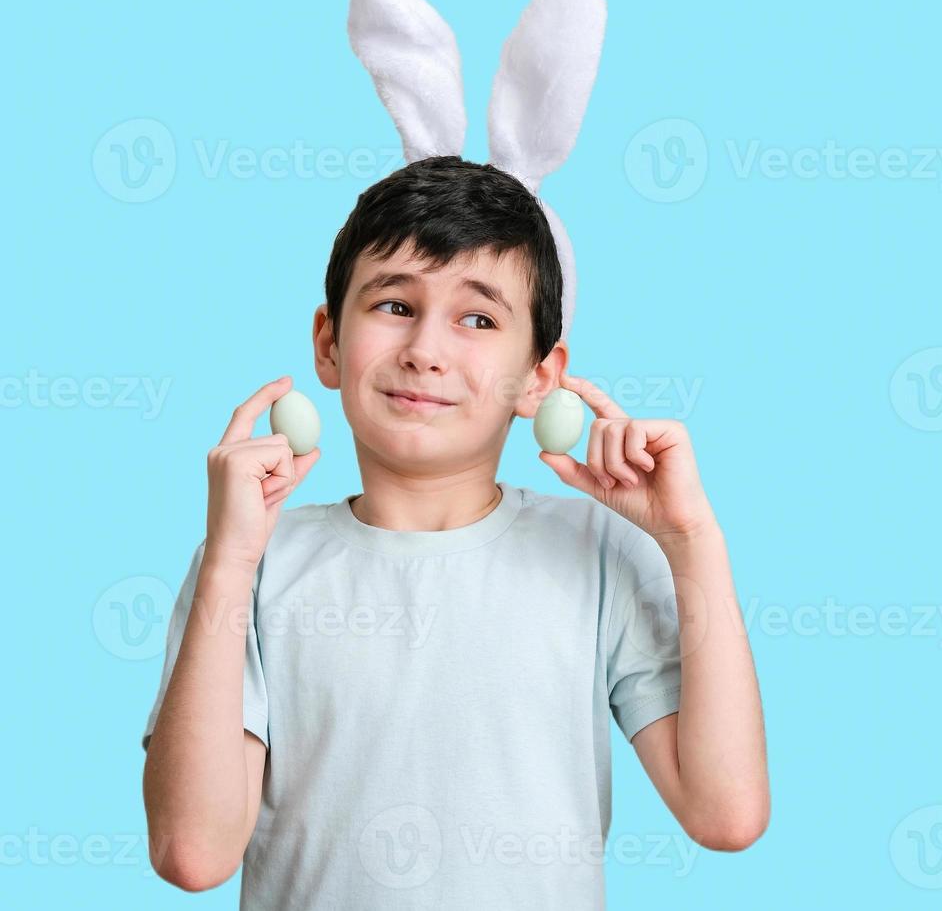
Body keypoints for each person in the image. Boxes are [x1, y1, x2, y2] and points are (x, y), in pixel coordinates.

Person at [139, 155, 768, 908]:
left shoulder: (598, 551)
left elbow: (726, 814)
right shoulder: (253, 562)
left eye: (478, 318)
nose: (426, 351)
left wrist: (693, 541)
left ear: (540, 376)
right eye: (394, 306)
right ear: (328, 343)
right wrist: (229, 562)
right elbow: (193, 853)